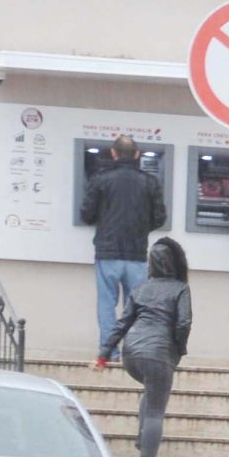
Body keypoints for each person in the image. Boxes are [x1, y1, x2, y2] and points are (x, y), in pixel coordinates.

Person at [97, 235, 191, 457]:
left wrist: (104, 354)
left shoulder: (139, 289)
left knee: (151, 392)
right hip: (158, 353)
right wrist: (179, 349)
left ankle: (143, 439)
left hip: (132, 354)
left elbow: (122, 323)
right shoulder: (180, 288)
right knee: (155, 410)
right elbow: (183, 322)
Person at [80, 136, 168, 350]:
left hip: (107, 252)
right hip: (137, 254)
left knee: (106, 304)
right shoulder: (150, 182)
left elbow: (86, 214)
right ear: (137, 155)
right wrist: (140, 230)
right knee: (136, 306)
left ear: (113, 153)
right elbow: (160, 217)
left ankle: (109, 351)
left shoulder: (100, 179)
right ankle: (133, 350)